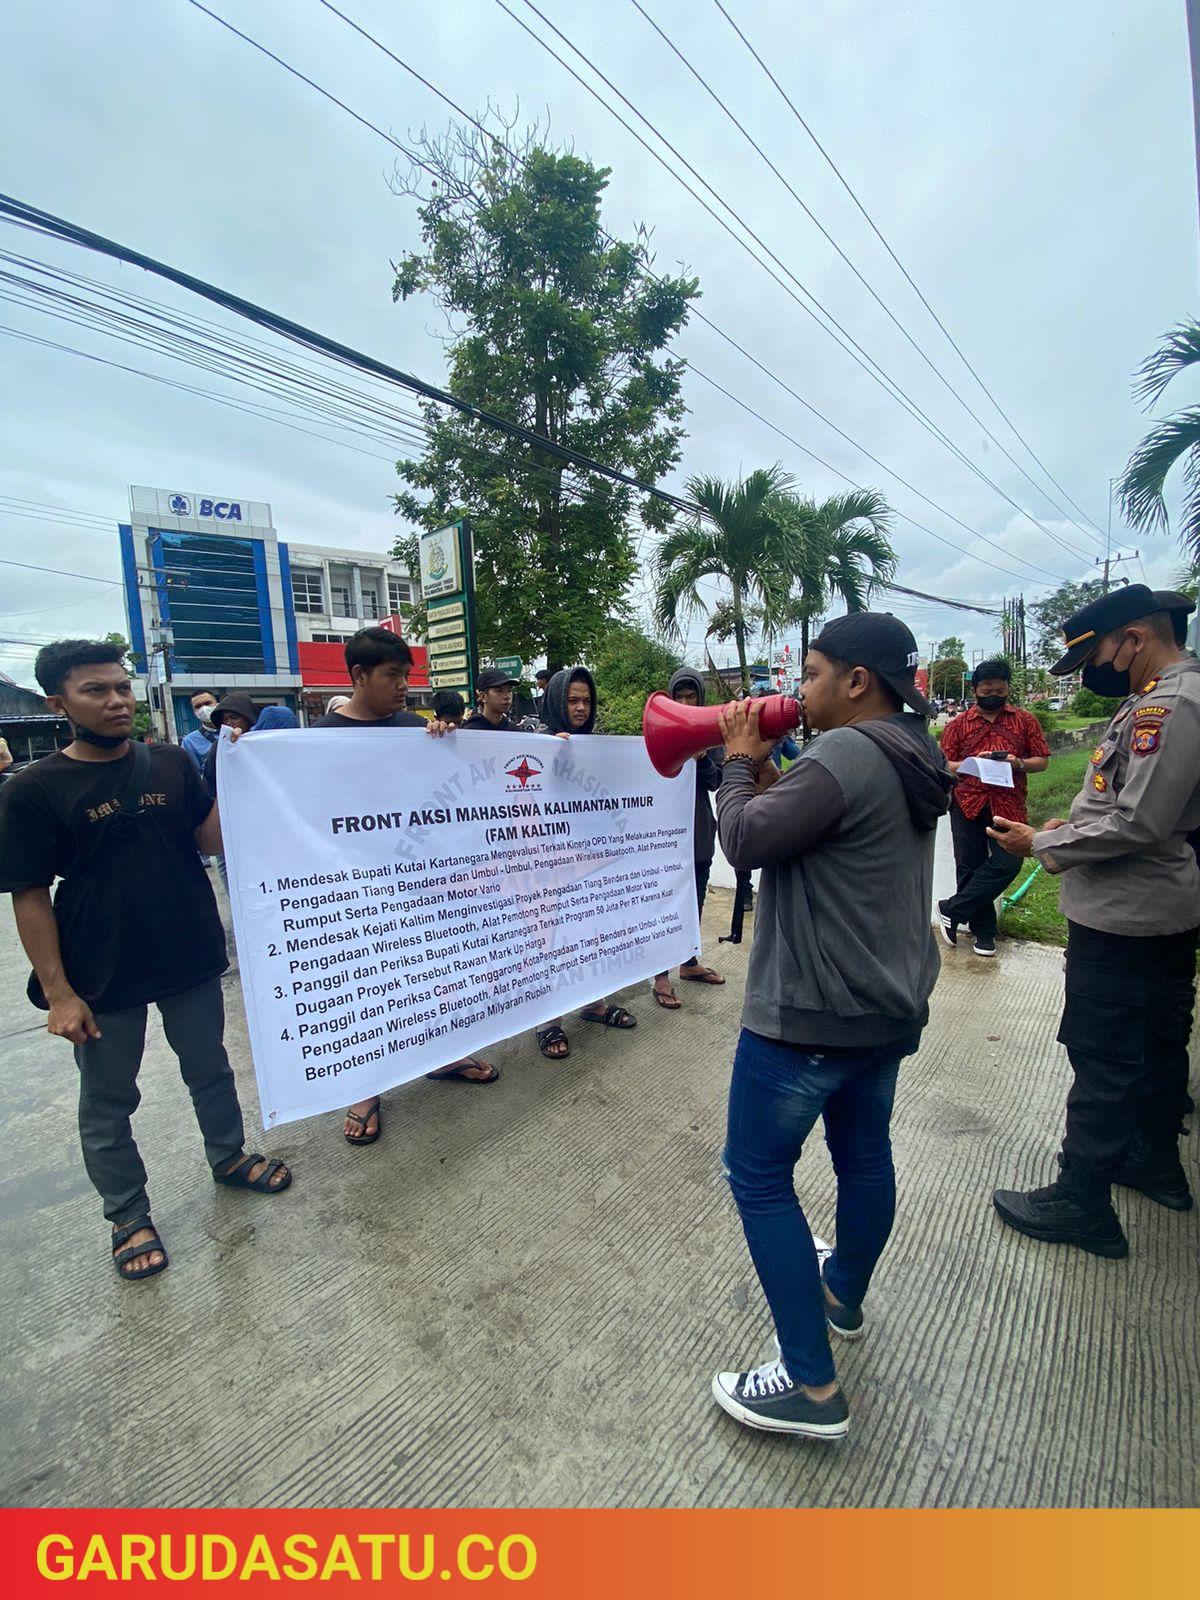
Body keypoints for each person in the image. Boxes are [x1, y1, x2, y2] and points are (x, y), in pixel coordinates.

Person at [708, 614, 951, 1440]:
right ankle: (842, 1294)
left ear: (856, 681)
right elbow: (825, 825)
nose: (799, 688)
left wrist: (736, 761)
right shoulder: (913, 746)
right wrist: (770, 770)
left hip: (812, 1013)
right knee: (864, 1157)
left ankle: (809, 1386)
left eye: (811, 673)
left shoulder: (845, 751)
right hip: (886, 1005)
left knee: (757, 1178)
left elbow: (745, 840)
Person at [0, 639, 292, 1282]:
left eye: (121, 688)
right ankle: (128, 1214)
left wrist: (236, 772)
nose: (115, 701)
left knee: (210, 1068)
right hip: (101, 970)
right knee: (109, 1100)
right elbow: (30, 896)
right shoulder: (33, 789)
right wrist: (59, 993)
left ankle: (228, 1155)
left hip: (187, 951)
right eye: (95, 691)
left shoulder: (169, 762)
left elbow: (211, 838)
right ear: (58, 703)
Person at [989, 586, 1200, 1256]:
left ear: (1134, 639)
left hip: (1125, 917)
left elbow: (1141, 822)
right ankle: (1153, 1163)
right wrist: (1073, 823)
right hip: (1150, 913)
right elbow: (1130, 804)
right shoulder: (1159, 698)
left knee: (1104, 1056)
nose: (1092, 675)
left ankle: (1081, 1201)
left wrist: (1043, 842)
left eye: (1095, 658)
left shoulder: (1170, 705)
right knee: (1156, 1046)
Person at [311, 628, 498, 1144]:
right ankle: (365, 1089)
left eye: (407, 676)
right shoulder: (318, 739)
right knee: (370, 989)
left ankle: (444, 1056)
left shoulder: (416, 730)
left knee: (439, 974)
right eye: (393, 676)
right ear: (358, 675)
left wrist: (444, 740)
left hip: (423, 882)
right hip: (359, 887)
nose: (403, 687)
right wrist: (243, 755)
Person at [533, 666, 637, 1061]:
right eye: (572, 700)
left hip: (587, 859)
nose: (580, 708)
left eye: (587, 701)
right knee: (551, 941)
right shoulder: (535, 742)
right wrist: (547, 753)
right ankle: (547, 1021)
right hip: (549, 864)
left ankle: (594, 1003)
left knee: (591, 932)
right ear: (557, 701)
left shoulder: (594, 745)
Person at [937, 659, 1050, 957]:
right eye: (987, 691)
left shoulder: (1025, 721)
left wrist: (1017, 762)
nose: (993, 696)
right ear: (975, 690)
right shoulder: (958, 725)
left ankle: (951, 909)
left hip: (1008, 803)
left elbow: (1042, 760)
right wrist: (972, 764)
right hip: (968, 801)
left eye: (1000, 691)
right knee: (969, 866)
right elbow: (944, 763)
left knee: (1009, 862)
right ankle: (984, 933)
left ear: (1008, 688)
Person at [651, 668, 724, 1010]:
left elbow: (716, 782)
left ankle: (689, 962)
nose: (684, 702)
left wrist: (703, 758)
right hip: (667, 835)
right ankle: (660, 976)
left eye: (690, 696)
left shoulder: (711, 734)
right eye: (678, 697)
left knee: (694, 901)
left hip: (697, 833)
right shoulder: (659, 730)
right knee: (666, 906)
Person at [201, 693, 257, 799]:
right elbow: (210, 783)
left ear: (248, 718)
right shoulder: (219, 747)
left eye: (234, 718)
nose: (228, 723)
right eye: (225, 720)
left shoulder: (262, 742)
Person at [180, 689, 219, 776]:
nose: (204, 709)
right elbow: (193, 776)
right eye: (198, 706)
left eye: (207, 703)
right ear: (194, 713)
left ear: (217, 705)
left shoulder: (235, 730)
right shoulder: (189, 742)